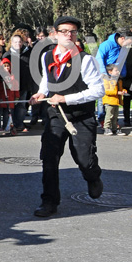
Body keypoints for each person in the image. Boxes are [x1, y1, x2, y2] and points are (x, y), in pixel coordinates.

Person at [29, 16, 105, 217]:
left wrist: (67, 99)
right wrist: (41, 93)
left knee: (84, 160)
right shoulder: (47, 56)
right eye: (64, 31)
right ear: (54, 34)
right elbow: (47, 80)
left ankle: (93, 177)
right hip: (56, 116)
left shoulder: (86, 60)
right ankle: (49, 202)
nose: (69, 35)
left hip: (81, 116)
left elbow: (98, 91)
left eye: (72, 32)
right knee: (49, 157)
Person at [95, 30, 132, 124]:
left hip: (116, 76)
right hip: (105, 76)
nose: (129, 45)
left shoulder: (123, 48)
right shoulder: (106, 44)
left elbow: (122, 62)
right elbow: (99, 59)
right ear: (123, 38)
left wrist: (123, 74)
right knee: (102, 99)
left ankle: (113, 120)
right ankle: (102, 119)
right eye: (129, 42)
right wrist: (104, 74)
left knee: (115, 98)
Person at [3, 31, 32, 132]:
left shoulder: (27, 54)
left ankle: (19, 124)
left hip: (24, 85)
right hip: (11, 86)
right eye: (15, 42)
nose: (18, 44)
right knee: (11, 106)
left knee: (21, 106)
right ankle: (11, 125)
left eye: (19, 42)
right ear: (11, 43)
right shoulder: (7, 55)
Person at [0, 58, 19, 134]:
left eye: (8, 66)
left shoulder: (12, 77)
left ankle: (6, 127)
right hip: (1, 98)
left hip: (9, 98)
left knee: (7, 114)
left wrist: (17, 97)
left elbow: (16, 87)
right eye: (5, 66)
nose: (7, 67)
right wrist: (1, 84)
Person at [101, 64, 126, 136]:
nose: (118, 72)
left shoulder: (118, 80)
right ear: (110, 72)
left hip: (116, 101)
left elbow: (120, 89)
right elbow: (106, 91)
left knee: (115, 116)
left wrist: (123, 91)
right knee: (109, 115)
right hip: (109, 101)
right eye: (116, 70)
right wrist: (117, 92)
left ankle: (114, 128)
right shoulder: (107, 80)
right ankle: (106, 128)